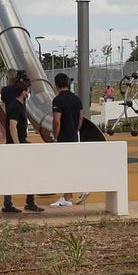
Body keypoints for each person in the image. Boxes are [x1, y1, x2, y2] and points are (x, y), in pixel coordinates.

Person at [2, 81, 44, 214]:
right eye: (28, 91)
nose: (29, 93)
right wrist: (17, 145)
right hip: (16, 144)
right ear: (23, 92)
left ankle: (28, 202)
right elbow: (12, 125)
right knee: (12, 174)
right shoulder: (15, 106)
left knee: (26, 172)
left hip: (20, 142)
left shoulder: (20, 105)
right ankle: (11, 203)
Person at [50, 72, 88, 207]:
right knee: (72, 164)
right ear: (67, 83)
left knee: (64, 166)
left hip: (63, 138)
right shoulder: (76, 99)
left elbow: (56, 120)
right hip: (74, 136)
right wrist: (76, 130)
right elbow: (81, 117)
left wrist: (55, 136)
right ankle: (69, 194)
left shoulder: (58, 100)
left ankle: (68, 196)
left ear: (56, 85)